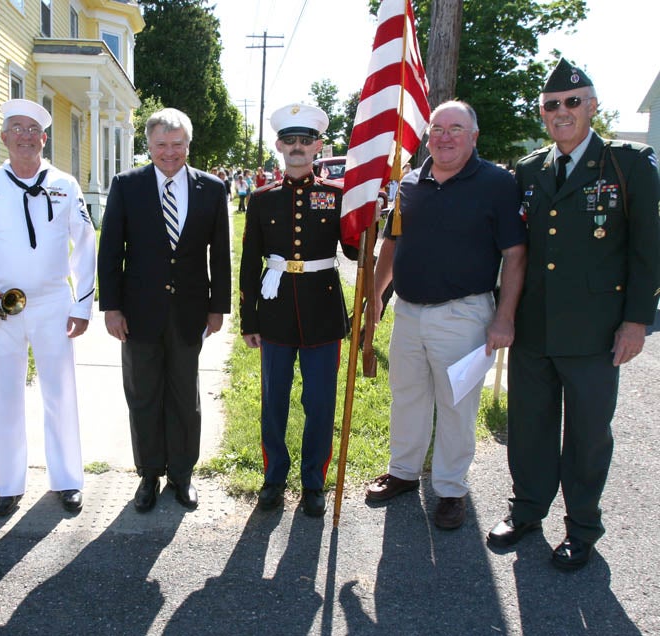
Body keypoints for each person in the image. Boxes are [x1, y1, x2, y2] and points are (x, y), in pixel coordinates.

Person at [487, 59, 660, 569]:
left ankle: (582, 525)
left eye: (572, 102)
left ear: (592, 106)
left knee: (587, 433)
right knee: (530, 424)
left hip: (596, 331)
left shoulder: (628, 165)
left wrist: (636, 321)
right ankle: (527, 510)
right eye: (551, 105)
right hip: (535, 326)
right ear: (542, 114)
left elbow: (648, 250)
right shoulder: (529, 170)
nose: (562, 112)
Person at [365, 101, 527, 530]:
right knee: (408, 396)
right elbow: (391, 246)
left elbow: (515, 254)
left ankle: (451, 489)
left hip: (464, 315)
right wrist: (375, 298)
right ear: (428, 135)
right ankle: (403, 471)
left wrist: (504, 317)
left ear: (474, 136)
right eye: (438, 128)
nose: (445, 136)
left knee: (456, 405)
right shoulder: (410, 184)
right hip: (409, 314)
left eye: (456, 128)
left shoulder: (496, 183)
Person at [0, 99, 96, 517]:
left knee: (60, 392)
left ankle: (67, 479)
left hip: (53, 303)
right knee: (4, 394)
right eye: (16, 128)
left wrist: (81, 305)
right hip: (3, 308)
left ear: (44, 138)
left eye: (33, 129)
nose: (25, 135)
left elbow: (85, 245)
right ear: (4, 137)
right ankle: (8, 484)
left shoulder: (66, 184)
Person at [98, 107, 231, 512]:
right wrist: (112, 308)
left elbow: (220, 254)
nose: (169, 153)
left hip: (190, 312)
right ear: (149, 146)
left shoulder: (211, 188)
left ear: (188, 145)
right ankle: (149, 474)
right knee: (143, 394)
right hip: (138, 313)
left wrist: (218, 307)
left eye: (177, 145)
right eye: (161, 145)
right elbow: (110, 252)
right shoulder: (126, 185)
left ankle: (182, 474)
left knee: (183, 394)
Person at [239, 103, 359, 517]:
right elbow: (250, 260)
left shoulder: (337, 195)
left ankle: (313, 481)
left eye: (305, 141)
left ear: (318, 146)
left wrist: (368, 219)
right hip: (274, 313)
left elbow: (354, 251)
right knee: (274, 401)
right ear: (278, 145)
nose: (297, 148)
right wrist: (248, 319)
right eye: (289, 141)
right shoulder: (261, 199)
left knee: (321, 402)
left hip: (323, 312)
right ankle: (274, 477)